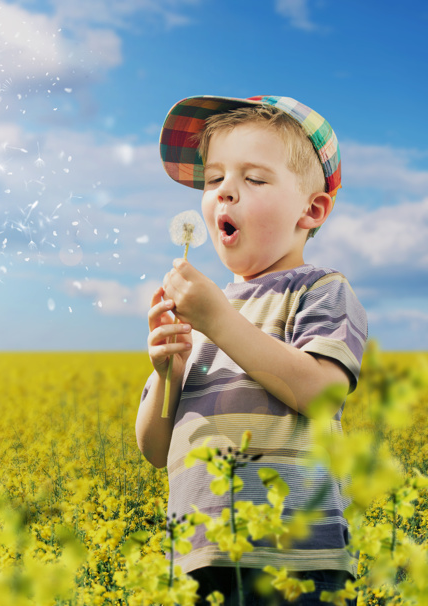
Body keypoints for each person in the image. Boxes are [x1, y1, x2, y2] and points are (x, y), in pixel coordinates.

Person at [135, 95, 367, 605]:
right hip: (198, 560)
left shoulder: (320, 290)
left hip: (296, 563)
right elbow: (154, 449)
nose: (225, 194)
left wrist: (218, 320)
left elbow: (323, 392)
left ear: (312, 209)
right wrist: (168, 373)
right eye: (214, 178)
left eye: (254, 179)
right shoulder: (199, 311)